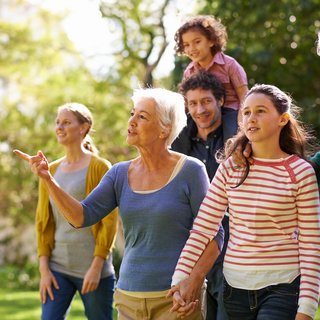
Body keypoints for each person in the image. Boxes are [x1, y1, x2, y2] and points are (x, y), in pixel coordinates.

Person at [14, 88, 225, 320]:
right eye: (132, 114)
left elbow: (215, 233)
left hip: (177, 298)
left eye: (142, 117)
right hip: (128, 298)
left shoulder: (191, 171)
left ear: (165, 128)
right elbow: (80, 216)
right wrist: (48, 179)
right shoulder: (119, 174)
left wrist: (194, 281)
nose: (131, 121)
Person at [170, 84, 320, 320]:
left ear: (282, 119)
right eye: (246, 112)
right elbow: (203, 228)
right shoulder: (231, 167)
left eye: (260, 111)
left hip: (283, 286)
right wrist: (180, 278)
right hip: (234, 289)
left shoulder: (300, 172)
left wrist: (307, 309)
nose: (251, 118)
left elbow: (311, 244)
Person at [27, 102, 118, 320]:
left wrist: (97, 266)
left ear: (83, 127)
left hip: (93, 269)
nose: (59, 126)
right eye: (58, 122)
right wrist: (44, 268)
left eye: (66, 122)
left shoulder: (100, 167)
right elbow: (43, 221)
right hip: (57, 268)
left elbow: (109, 221)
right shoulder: (50, 170)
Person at [171, 70, 231, 320]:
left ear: (220, 101)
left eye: (206, 101)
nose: (200, 109)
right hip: (193, 246)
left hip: (231, 245)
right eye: (193, 103)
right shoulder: (180, 144)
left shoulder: (236, 137)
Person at [174, 15, 249, 141]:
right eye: (186, 45)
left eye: (197, 42)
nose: (191, 48)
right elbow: (186, 102)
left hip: (230, 110)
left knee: (232, 135)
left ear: (211, 41)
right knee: (180, 132)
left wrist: (243, 119)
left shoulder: (229, 65)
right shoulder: (190, 72)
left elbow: (244, 96)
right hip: (202, 110)